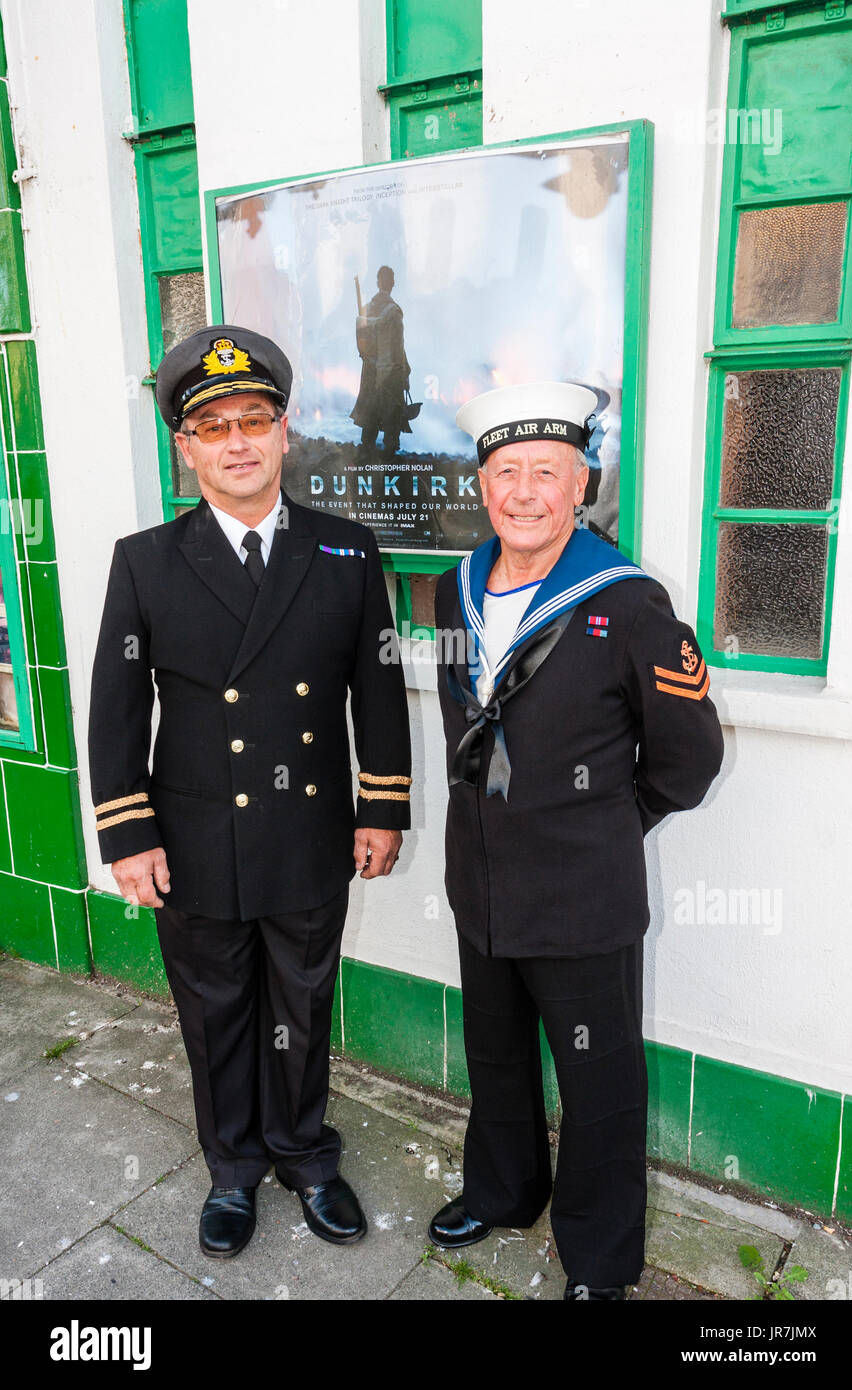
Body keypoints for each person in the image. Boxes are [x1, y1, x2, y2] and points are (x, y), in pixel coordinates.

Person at [88, 325, 411, 1259]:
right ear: (185, 447)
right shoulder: (144, 559)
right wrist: (126, 832)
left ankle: (305, 1153)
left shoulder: (346, 552)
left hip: (307, 829)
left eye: (255, 420)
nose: (238, 441)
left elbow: (377, 689)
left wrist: (381, 805)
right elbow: (117, 705)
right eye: (214, 426)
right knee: (216, 1006)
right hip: (193, 834)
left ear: (284, 431)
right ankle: (232, 1167)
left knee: (303, 1003)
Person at [427, 381, 724, 1300]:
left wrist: (608, 824)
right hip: (480, 882)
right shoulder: (452, 589)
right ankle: (504, 1189)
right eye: (506, 471)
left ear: (581, 481)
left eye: (546, 473)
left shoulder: (630, 602)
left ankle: (598, 1261)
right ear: (482, 483)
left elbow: (689, 757)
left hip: (584, 899)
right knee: (497, 1053)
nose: (525, 492)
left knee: (598, 1084)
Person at [350, 265, 411, 457]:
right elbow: (398, 346)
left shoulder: (367, 308)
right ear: (392, 283)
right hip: (391, 370)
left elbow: (362, 342)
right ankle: (389, 451)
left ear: (378, 283)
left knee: (371, 410)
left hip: (370, 367)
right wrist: (404, 372)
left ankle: (367, 447)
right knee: (391, 412)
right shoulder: (394, 311)